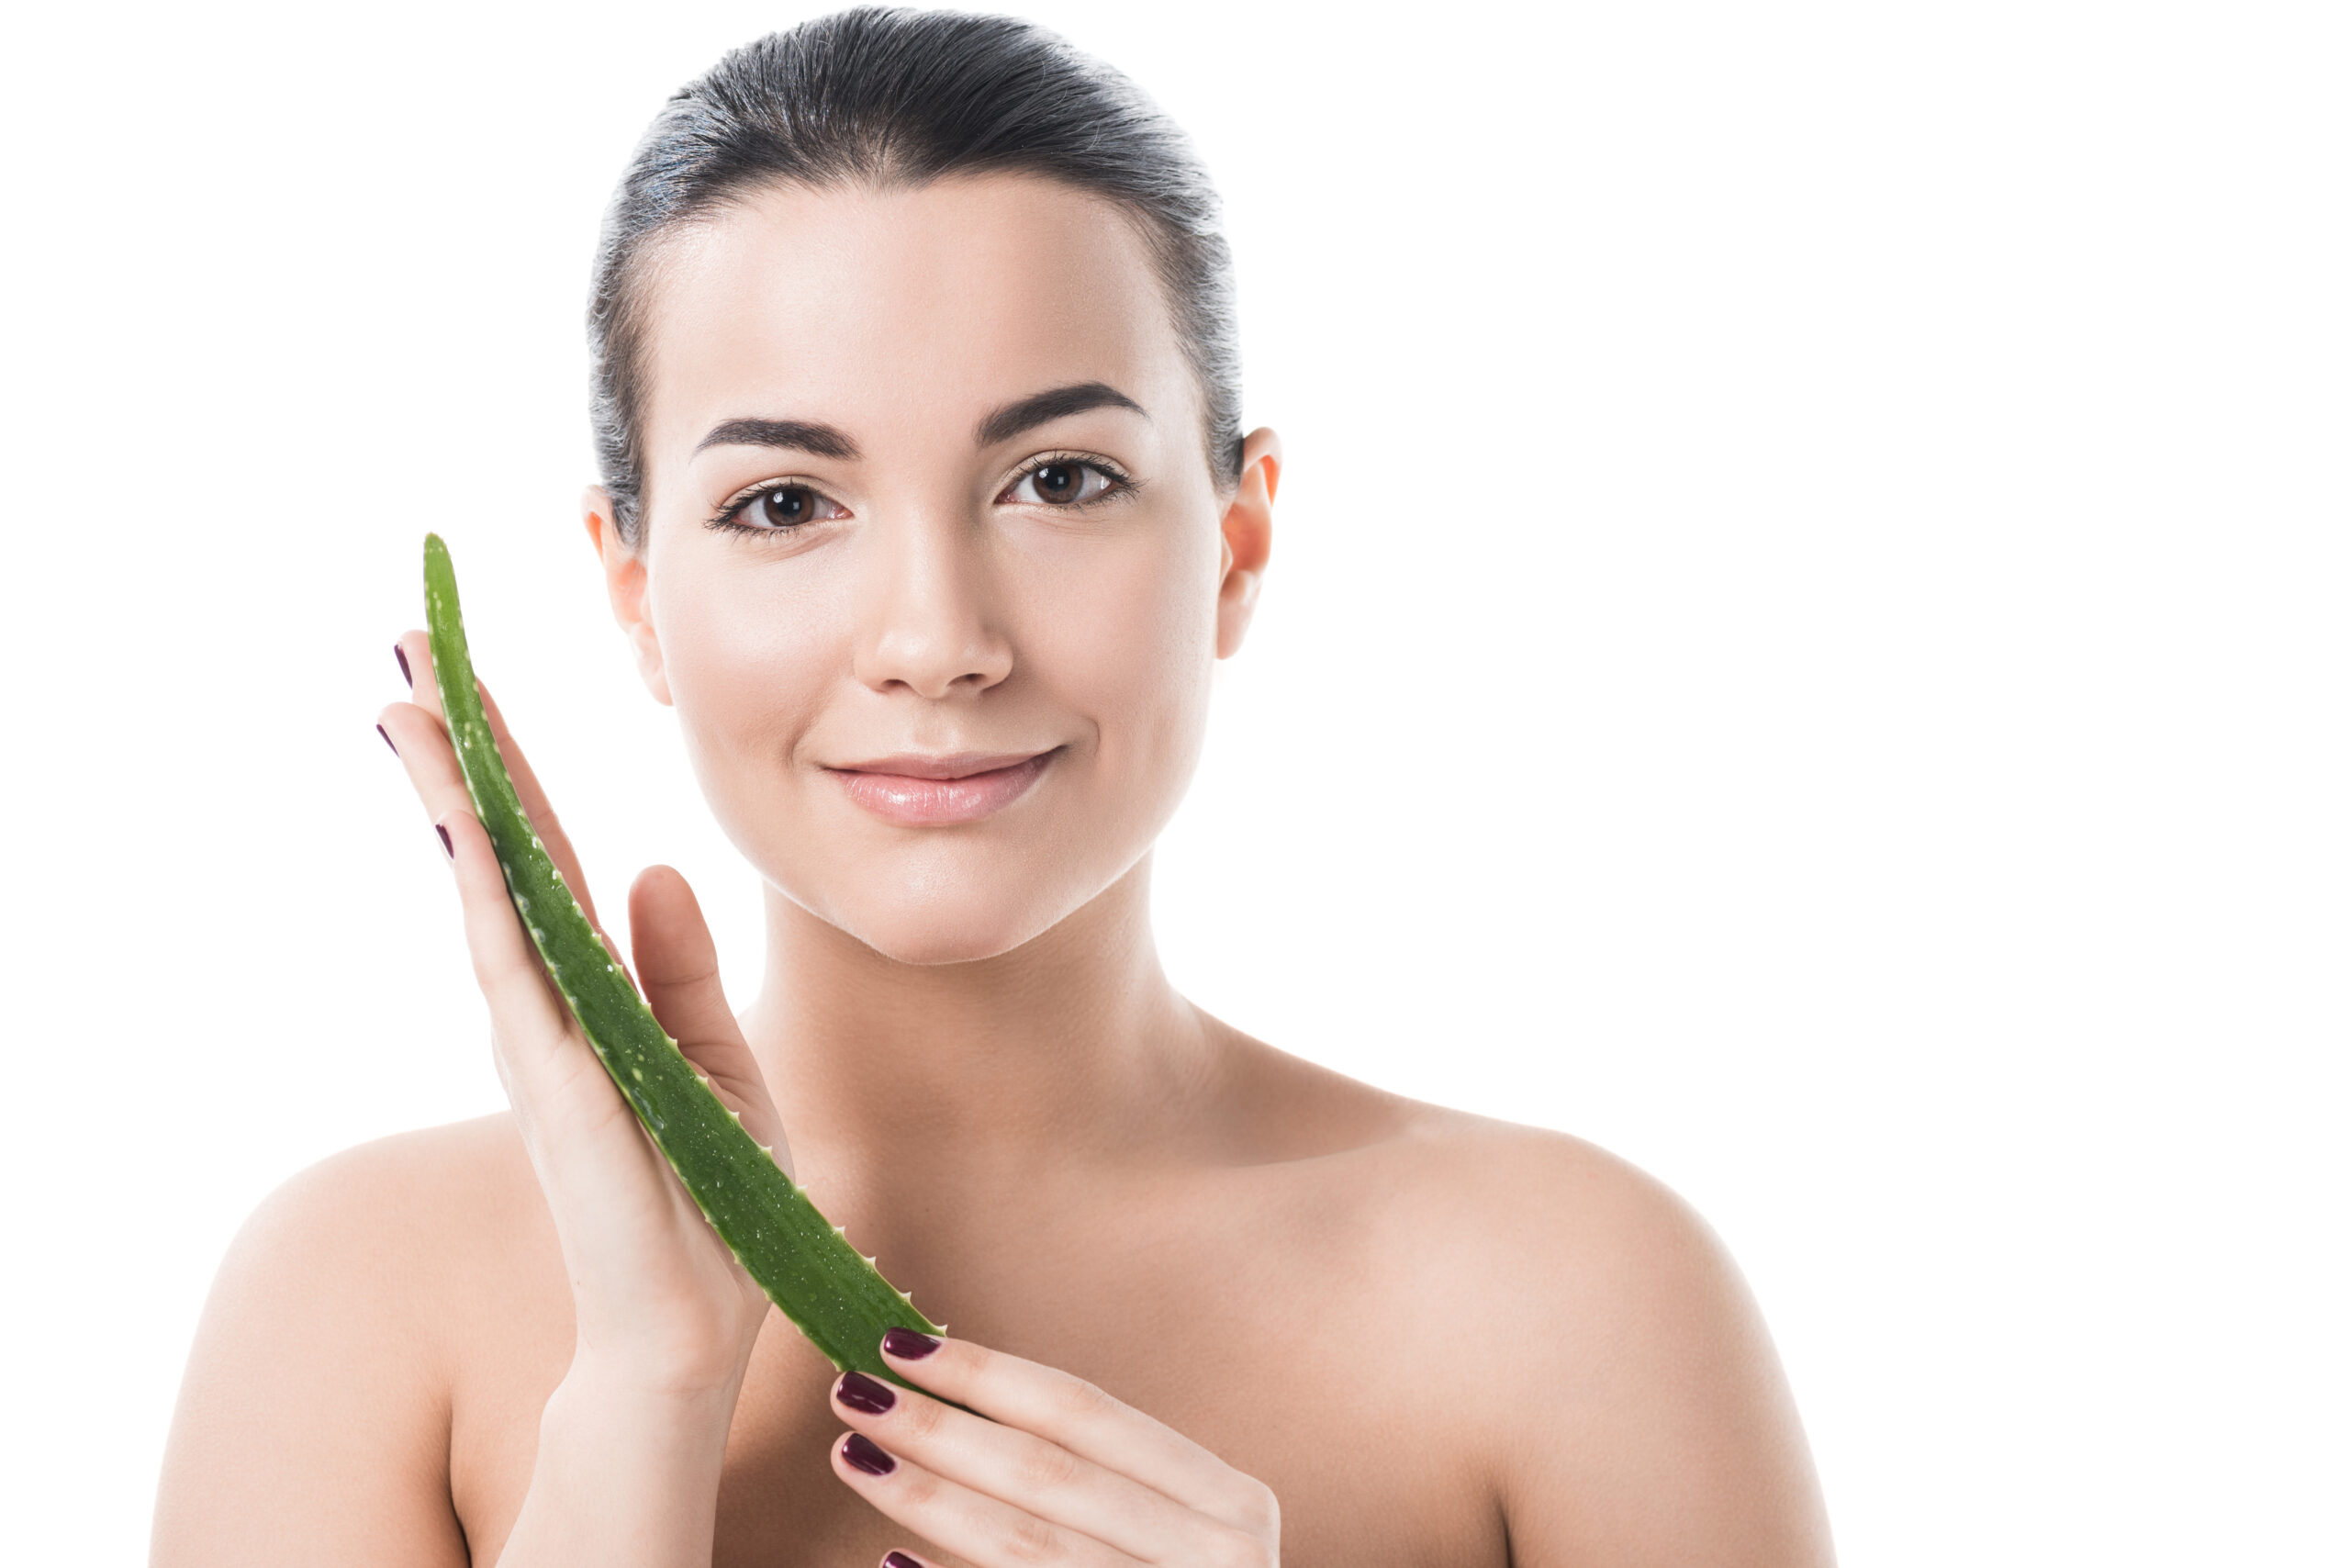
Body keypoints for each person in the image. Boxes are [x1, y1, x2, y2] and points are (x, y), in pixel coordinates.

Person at [151, 9, 1835, 1564]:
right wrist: (638, 1411)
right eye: (786, 506)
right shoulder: (355, 1306)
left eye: (1061, 478)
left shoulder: (1581, 1308)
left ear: (1238, 546)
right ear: (633, 589)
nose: (937, 640)